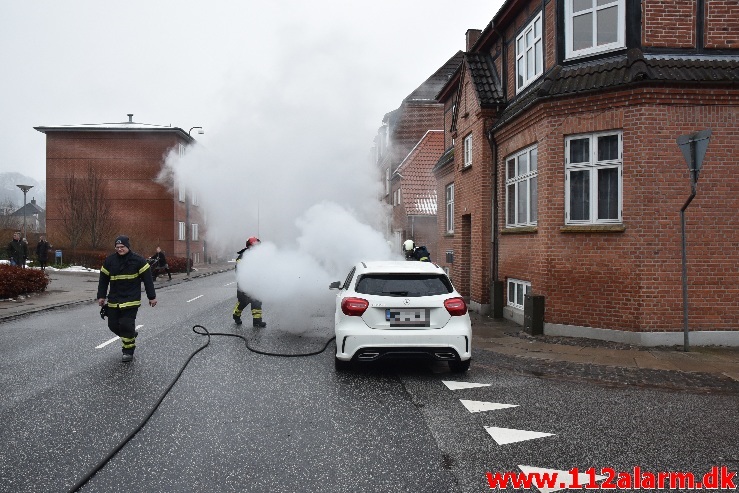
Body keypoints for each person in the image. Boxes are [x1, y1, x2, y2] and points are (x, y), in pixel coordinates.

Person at [97, 235, 157, 363]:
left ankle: (128, 352)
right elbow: (103, 280)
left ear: (127, 247)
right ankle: (130, 334)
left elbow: (148, 280)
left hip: (131, 299)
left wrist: (151, 297)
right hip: (114, 300)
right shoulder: (110, 261)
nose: (119, 249)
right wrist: (101, 296)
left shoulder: (138, 261)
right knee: (113, 325)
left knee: (125, 324)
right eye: (117, 247)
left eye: (122, 247)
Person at [232, 236, 267, 328]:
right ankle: (236, 315)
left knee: (257, 302)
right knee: (243, 302)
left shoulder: (259, 256)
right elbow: (239, 270)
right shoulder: (242, 256)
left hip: (255, 284)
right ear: (249, 246)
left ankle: (257, 321)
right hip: (244, 284)